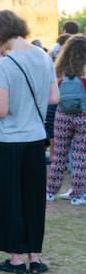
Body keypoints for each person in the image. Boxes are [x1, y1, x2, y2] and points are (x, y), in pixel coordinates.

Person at [0, 10, 59, 274]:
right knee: (33, 199)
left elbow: (1, 110)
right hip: (36, 140)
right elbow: (54, 98)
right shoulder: (44, 57)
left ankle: (15, 260)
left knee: (10, 199)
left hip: (8, 140)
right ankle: (35, 258)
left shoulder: (5, 64)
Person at [46, 35, 86, 204]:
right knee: (80, 156)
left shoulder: (60, 69)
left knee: (59, 155)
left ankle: (50, 191)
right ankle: (77, 195)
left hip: (62, 116)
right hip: (83, 117)